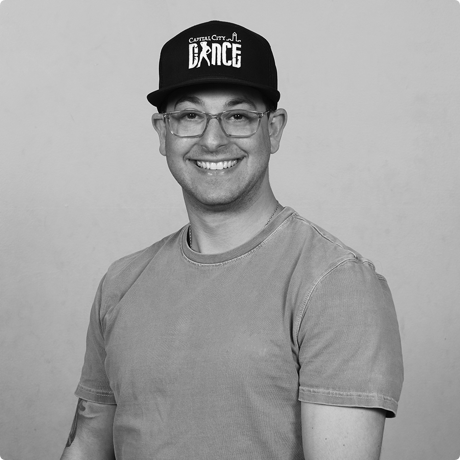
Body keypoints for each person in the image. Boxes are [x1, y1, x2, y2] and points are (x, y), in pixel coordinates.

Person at [60, 20, 403, 460]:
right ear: (163, 132)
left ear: (273, 129)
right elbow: (87, 446)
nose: (213, 139)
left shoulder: (336, 285)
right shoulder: (121, 282)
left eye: (238, 116)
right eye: (190, 116)